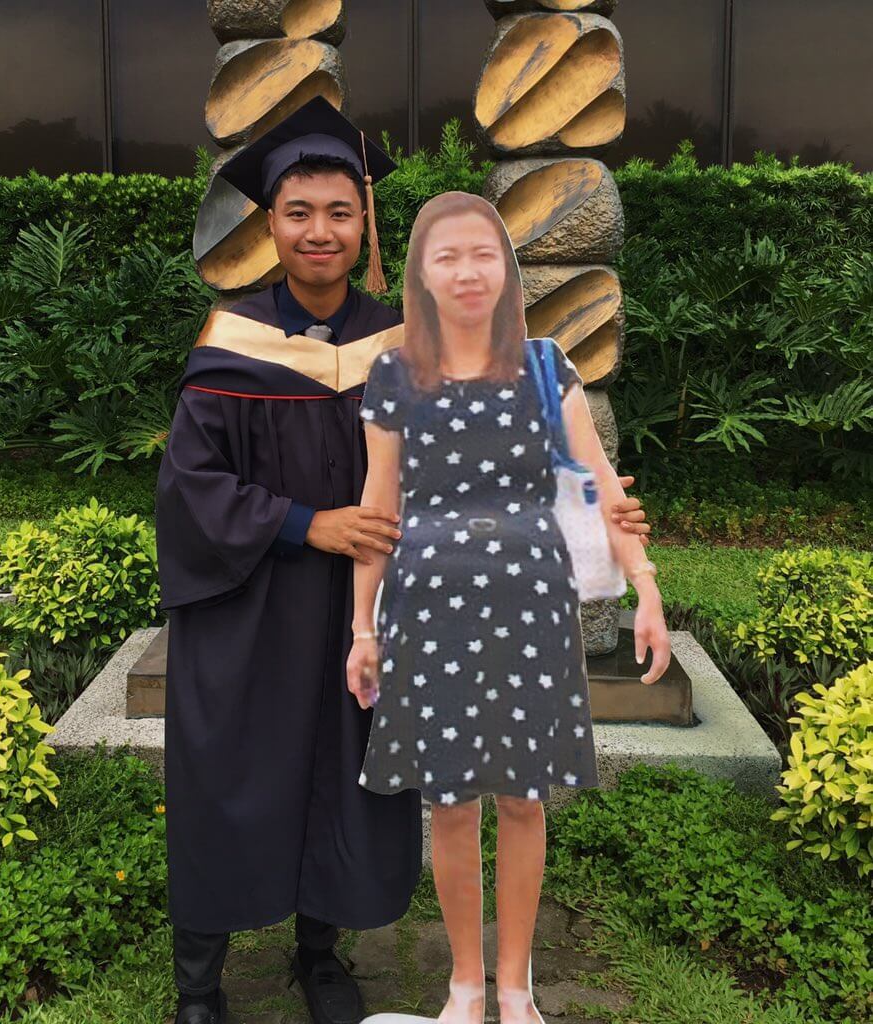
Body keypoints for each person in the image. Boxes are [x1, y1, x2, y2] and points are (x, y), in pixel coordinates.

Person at [156, 96, 654, 1024]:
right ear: (271, 225)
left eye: (340, 212)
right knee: (232, 774)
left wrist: (606, 516)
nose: (320, 231)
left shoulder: (402, 345)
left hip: (380, 608)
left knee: (340, 778)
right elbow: (190, 489)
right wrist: (309, 523)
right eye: (299, 213)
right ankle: (200, 983)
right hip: (251, 607)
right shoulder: (231, 347)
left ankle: (321, 955)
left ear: (366, 227)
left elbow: (497, 459)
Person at [346, 192, 671, 1024]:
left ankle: (516, 988)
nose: (465, 271)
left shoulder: (544, 363)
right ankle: (463, 985)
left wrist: (647, 583)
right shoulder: (393, 375)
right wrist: (361, 628)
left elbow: (595, 486)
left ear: (506, 268)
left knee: (523, 799)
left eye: (482, 254)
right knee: (451, 803)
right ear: (420, 272)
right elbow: (376, 515)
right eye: (445, 256)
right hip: (428, 613)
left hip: (530, 610)